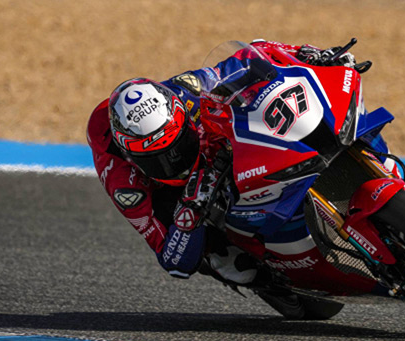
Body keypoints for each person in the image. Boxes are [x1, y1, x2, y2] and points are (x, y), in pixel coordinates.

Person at [86, 39, 357, 284]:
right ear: (131, 157)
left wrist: (306, 53)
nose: (175, 162)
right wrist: (190, 212)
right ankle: (269, 279)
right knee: (232, 265)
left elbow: (249, 57)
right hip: (175, 195)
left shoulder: (184, 90)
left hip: (211, 149)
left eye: (178, 145)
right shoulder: (123, 182)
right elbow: (172, 261)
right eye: (158, 159)